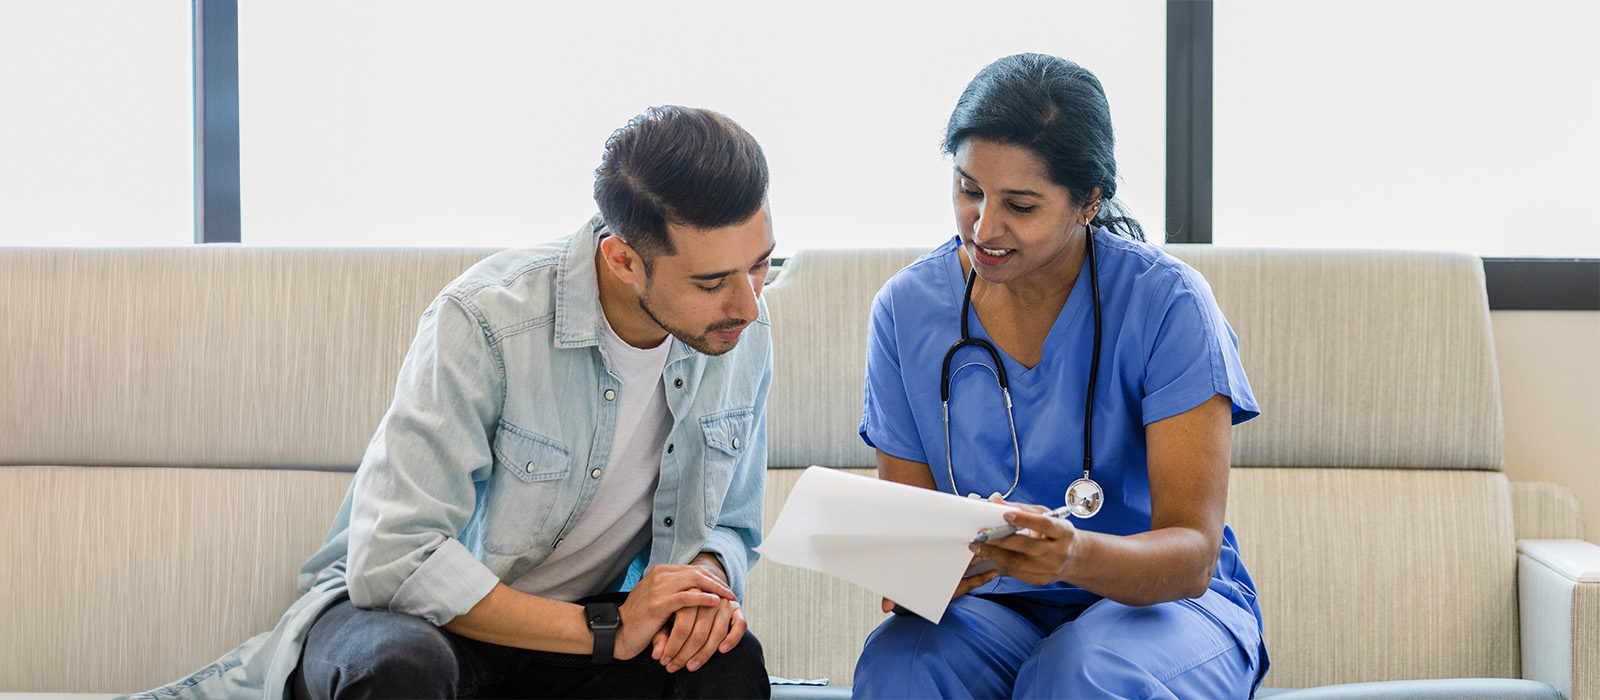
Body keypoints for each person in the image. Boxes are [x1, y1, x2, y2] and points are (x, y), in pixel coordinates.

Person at [124, 105, 777, 700]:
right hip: (421, 625)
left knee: (726, 666)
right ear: (623, 260)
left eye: (760, 265)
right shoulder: (488, 322)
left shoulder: (736, 330)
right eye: (713, 281)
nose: (748, 305)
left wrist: (702, 585)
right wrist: (604, 629)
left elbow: (732, 523)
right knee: (399, 674)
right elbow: (393, 556)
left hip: (588, 635)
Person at [853, 54, 1269, 699]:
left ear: (1087, 202)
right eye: (968, 191)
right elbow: (907, 572)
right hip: (997, 614)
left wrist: (1073, 556)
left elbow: (1192, 556)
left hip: (1161, 608)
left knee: (1081, 671)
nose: (984, 228)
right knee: (902, 661)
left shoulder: (1168, 304)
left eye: (1020, 204)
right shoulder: (906, 312)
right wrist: (935, 567)